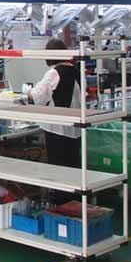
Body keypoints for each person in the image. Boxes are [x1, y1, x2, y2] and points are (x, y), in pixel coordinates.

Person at [25, 39, 82, 171]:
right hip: (75, 127)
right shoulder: (76, 70)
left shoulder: (54, 73)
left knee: (58, 167)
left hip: (57, 128)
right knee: (73, 166)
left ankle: (60, 185)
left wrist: (27, 91)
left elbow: (37, 96)